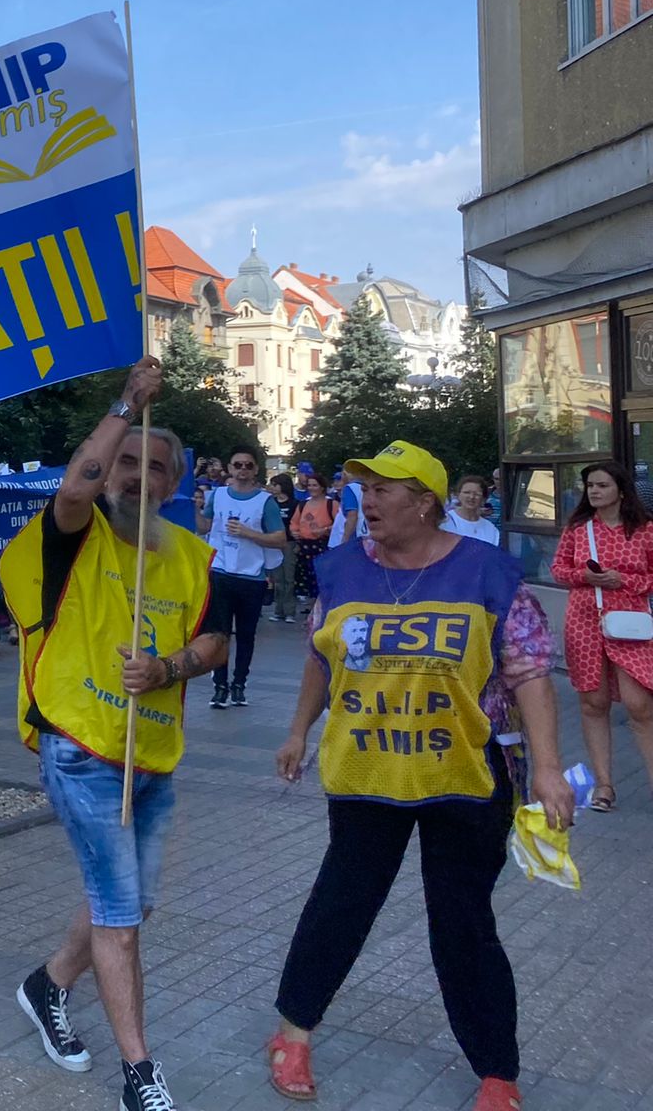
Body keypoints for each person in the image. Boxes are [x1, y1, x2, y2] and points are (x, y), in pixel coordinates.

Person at [270, 442, 572, 1110]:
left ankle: (497, 1070)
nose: (367, 500)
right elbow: (322, 658)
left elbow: (528, 673)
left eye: (382, 489)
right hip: (366, 771)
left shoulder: (488, 571)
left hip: (463, 774)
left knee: (462, 922)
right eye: (364, 488)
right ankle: (293, 1030)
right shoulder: (343, 568)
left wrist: (548, 769)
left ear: (425, 501)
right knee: (341, 906)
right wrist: (297, 731)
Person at [0, 360, 226, 1111]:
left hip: (150, 754)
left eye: (153, 467)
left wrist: (166, 669)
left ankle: (48, 984)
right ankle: (140, 1075)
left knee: (130, 899)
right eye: (126, 462)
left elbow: (216, 641)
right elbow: (74, 484)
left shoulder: (189, 555)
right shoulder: (75, 529)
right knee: (122, 917)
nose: (135, 474)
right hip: (80, 744)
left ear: (174, 483)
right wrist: (129, 404)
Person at [549, 459, 653, 814]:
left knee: (640, 705)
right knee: (594, 704)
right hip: (584, 621)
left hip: (629, 622)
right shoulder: (579, 529)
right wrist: (586, 577)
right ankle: (604, 785)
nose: (593, 491)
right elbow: (558, 569)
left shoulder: (644, 530)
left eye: (601, 485)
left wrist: (622, 580)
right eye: (590, 485)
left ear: (621, 491)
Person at [202, 445, 286, 708]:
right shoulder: (217, 496)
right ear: (229, 469)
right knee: (220, 633)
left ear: (256, 470)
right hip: (221, 571)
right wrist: (192, 507)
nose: (242, 470)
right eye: (237, 465)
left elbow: (280, 538)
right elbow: (204, 525)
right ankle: (219, 686)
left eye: (248, 465)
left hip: (251, 576)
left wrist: (249, 533)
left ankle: (239, 684)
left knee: (247, 634)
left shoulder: (265, 501)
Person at [287, 472, 333, 617]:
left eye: (315, 485)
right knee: (307, 580)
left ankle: (318, 610)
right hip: (305, 546)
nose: (312, 488)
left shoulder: (331, 504)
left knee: (320, 579)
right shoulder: (303, 504)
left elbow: (339, 525)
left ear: (322, 487)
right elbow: (294, 522)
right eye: (310, 485)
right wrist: (294, 532)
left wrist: (324, 530)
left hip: (321, 546)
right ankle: (312, 610)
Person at [267, 473, 300, 623]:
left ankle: (290, 612)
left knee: (289, 578)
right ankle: (278, 610)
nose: (272, 488)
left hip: (289, 543)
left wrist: (298, 544)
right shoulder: (271, 503)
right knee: (277, 578)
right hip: (274, 543)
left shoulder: (295, 504)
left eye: (275, 484)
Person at [443, 474, 502, 547]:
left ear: (484, 499)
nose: (471, 497)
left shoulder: (491, 529)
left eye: (477, 494)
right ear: (458, 495)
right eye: (466, 492)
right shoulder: (445, 521)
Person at [327, 466, 362, 547]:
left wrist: (344, 541)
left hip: (344, 538)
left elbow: (352, 516)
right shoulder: (365, 488)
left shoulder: (350, 488)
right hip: (361, 537)